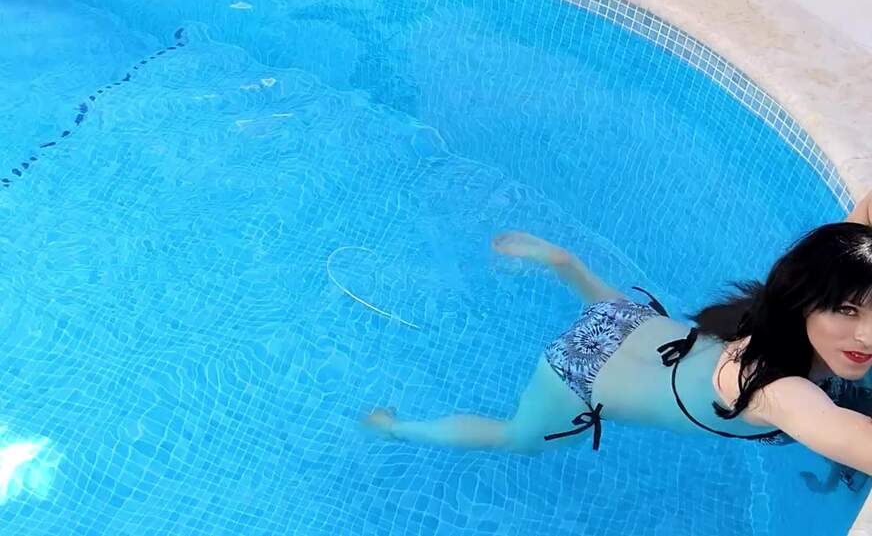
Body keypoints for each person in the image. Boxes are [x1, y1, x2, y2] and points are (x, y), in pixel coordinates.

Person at [363, 191, 872, 479]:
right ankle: (398, 429)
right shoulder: (774, 392)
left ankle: (564, 263)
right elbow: (845, 435)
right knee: (515, 439)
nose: (868, 336)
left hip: (629, 321)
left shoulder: (790, 298)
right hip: (580, 376)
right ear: (807, 302)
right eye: (848, 311)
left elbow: (853, 230)